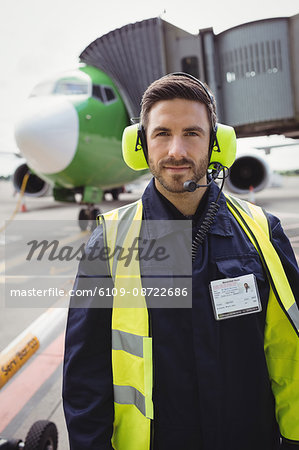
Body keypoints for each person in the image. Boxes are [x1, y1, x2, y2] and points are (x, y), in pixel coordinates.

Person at [63, 73, 299, 450]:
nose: (176, 151)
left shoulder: (261, 231)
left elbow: (290, 351)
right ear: (140, 144)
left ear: (216, 142)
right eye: (161, 134)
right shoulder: (110, 241)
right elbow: (85, 376)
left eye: (191, 133)